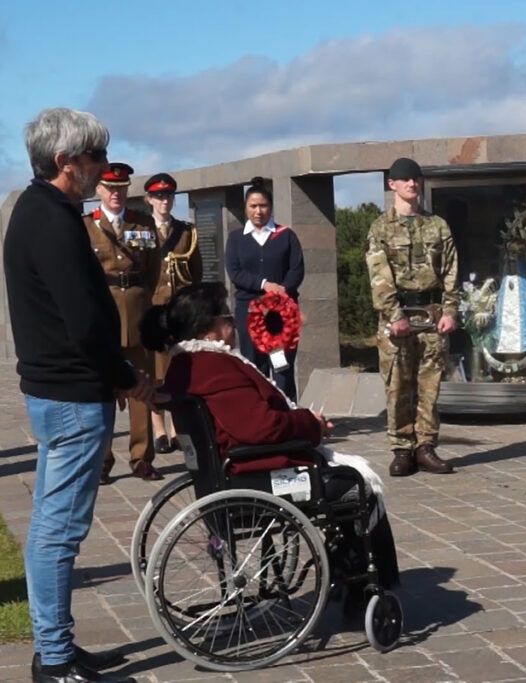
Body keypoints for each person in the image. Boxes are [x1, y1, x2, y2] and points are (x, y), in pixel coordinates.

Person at [4, 107, 152, 682]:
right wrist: (126, 378)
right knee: (57, 534)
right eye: (95, 157)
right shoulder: (53, 220)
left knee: (51, 527)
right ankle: (56, 661)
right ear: (66, 162)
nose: (103, 167)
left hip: (59, 392)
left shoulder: (40, 209)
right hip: (70, 398)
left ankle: (57, 646)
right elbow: (86, 324)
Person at [139, 283, 399, 606]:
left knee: (347, 480)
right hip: (257, 475)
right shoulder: (215, 368)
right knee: (358, 485)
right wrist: (311, 426)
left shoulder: (188, 366)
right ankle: (365, 581)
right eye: (227, 318)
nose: (233, 325)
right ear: (208, 333)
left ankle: (344, 568)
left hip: (235, 473)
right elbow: (261, 427)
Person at [366, 158, 459, 477]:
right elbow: (379, 276)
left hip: (431, 316)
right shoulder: (380, 228)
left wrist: (450, 310)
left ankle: (425, 447)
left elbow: (450, 271)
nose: (411, 184)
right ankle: (402, 449)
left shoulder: (438, 226)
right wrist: (394, 314)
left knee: (429, 386)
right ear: (391, 184)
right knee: (398, 385)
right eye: (404, 179)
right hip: (398, 318)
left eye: (415, 179)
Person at [83, 162, 163, 483]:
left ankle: (142, 457)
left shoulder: (142, 223)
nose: (116, 194)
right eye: (110, 188)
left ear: (128, 190)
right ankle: (102, 460)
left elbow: (154, 268)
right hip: (104, 315)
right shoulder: (87, 225)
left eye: (121, 188)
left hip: (138, 310)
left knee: (141, 386)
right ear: (98, 190)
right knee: (102, 389)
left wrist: (143, 300)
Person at [224, 177, 304, 401]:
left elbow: (296, 269)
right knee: (254, 368)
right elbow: (235, 271)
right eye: (253, 206)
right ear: (246, 208)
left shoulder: (286, 236)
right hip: (249, 313)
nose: (258, 211)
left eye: (263, 206)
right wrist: (264, 285)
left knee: (282, 368)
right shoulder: (236, 239)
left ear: (270, 207)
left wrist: (281, 291)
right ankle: (262, 420)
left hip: (281, 314)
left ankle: (289, 416)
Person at [145, 173, 203, 452]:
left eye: (167, 196)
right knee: (156, 372)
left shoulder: (186, 232)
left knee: (179, 371)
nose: (163, 201)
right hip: (154, 309)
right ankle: (158, 430)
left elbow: (196, 274)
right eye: (158, 196)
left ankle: (176, 428)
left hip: (180, 312)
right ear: (149, 200)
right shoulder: (141, 231)